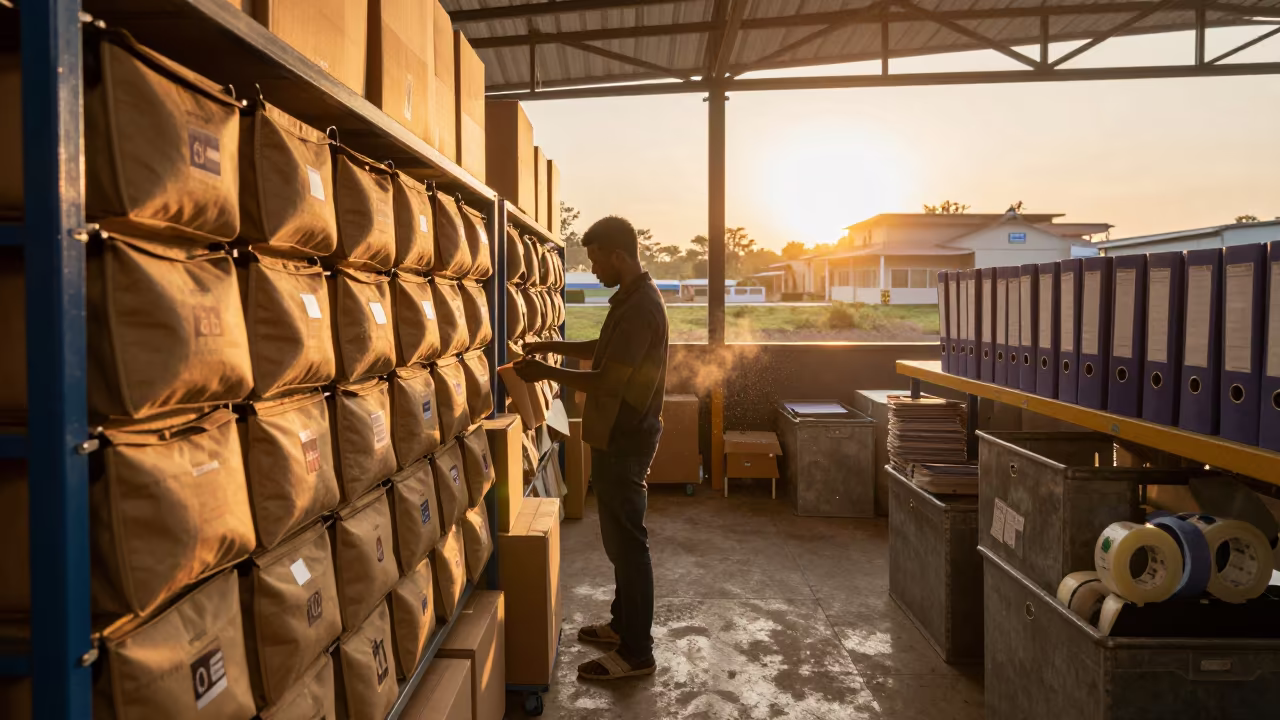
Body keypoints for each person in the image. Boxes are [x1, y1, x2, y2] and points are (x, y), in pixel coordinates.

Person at [513, 216, 669, 681]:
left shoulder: (641, 306)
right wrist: (551, 345)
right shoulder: (630, 299)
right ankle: (623, 625)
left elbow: (608, 380)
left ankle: (637, 653)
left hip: (626, 437)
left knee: (629, 544)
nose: (593, 269)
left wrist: (545, 372)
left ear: (619, 256)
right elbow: (604, 349)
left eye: (597, 260)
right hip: (615, 435)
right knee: (619, 543)